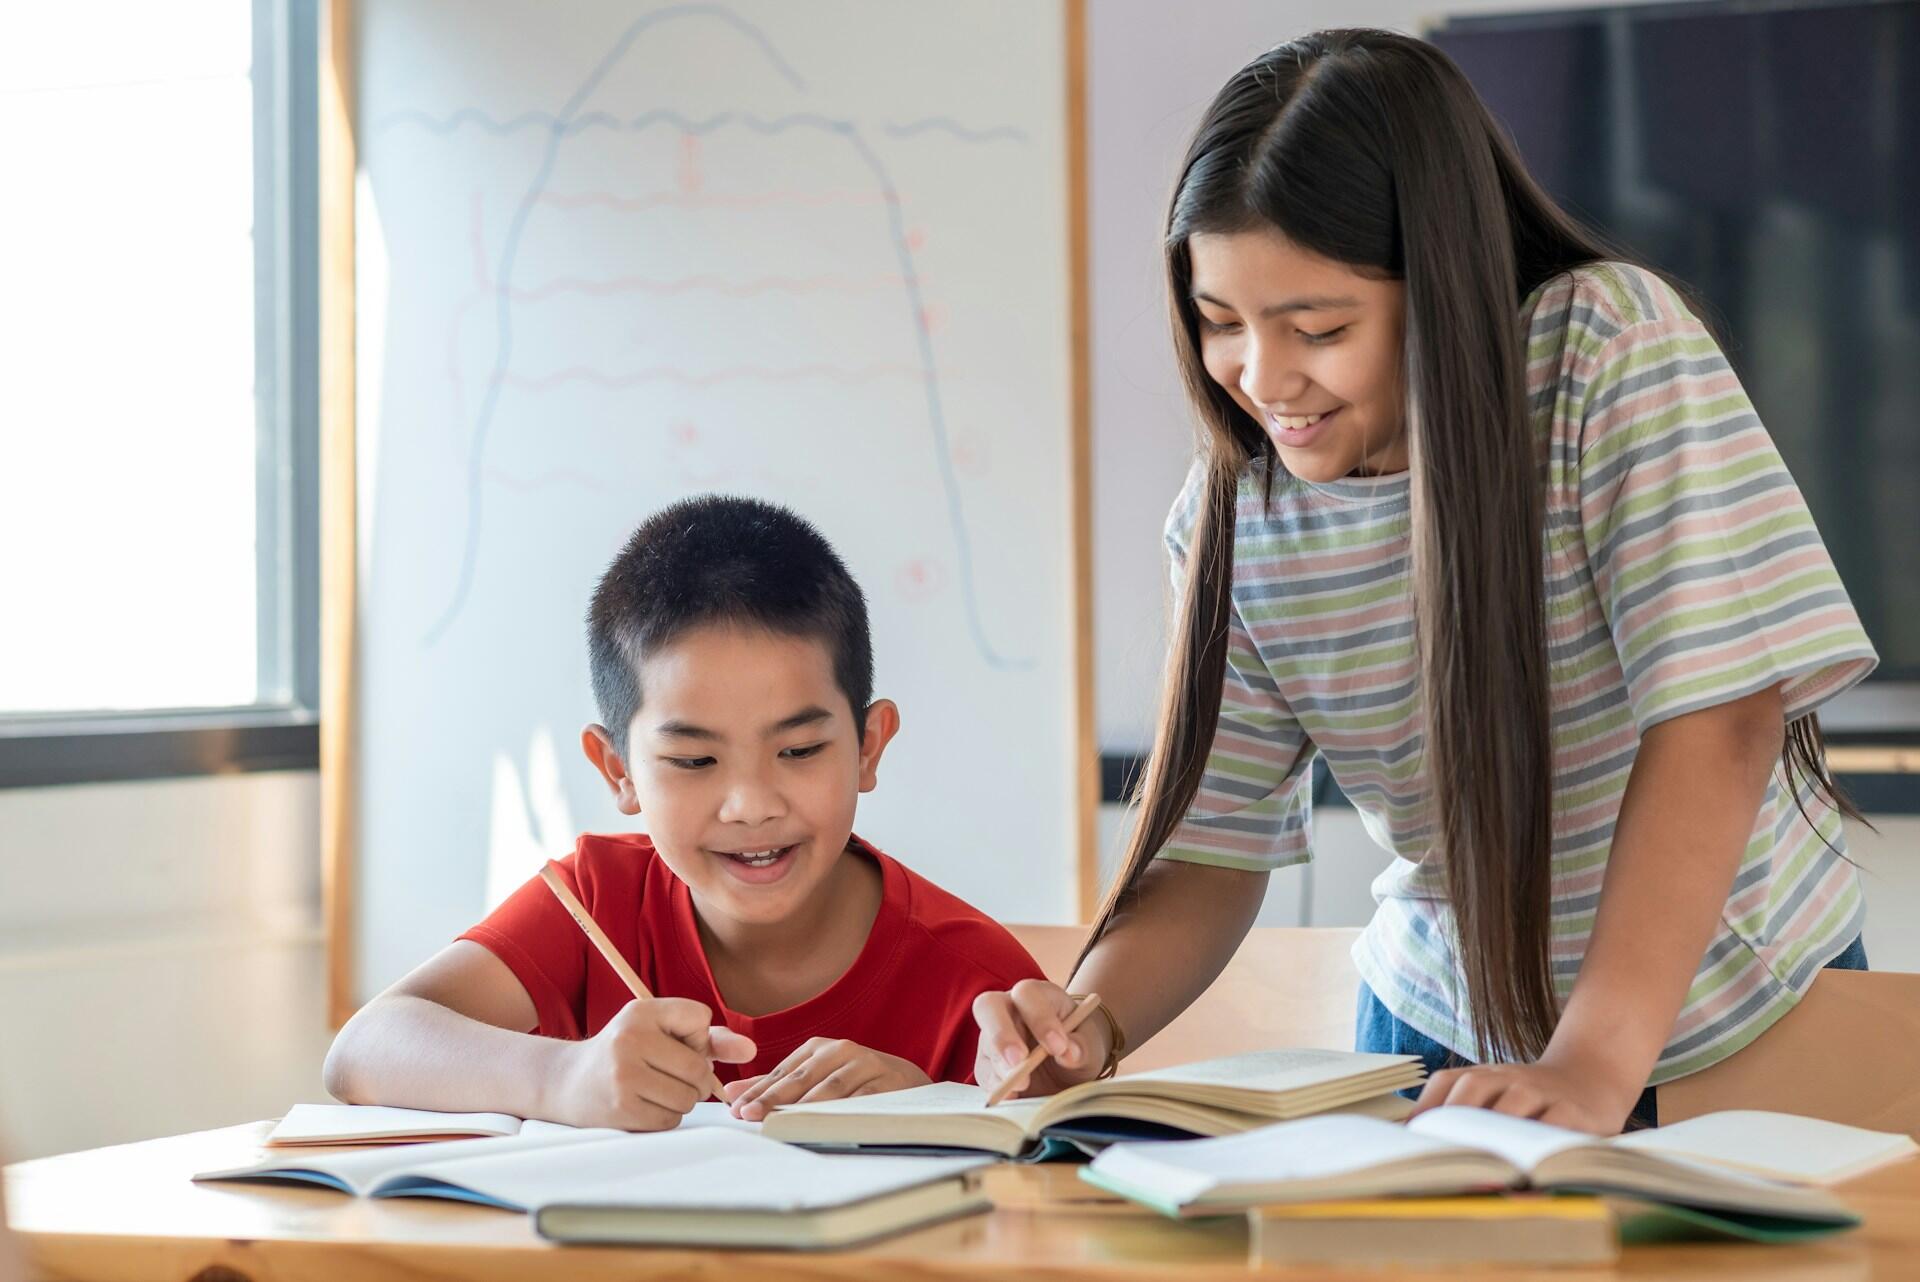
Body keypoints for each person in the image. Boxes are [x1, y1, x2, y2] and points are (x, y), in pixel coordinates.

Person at [973, 28, 1876, 1135]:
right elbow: (1211, 850)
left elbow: (1721, 713)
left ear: (1441, 278)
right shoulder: (1235, 515)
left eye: (1319, 327)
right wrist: (1088, 1025)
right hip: (1440, 1030)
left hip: (1743, 1012)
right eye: (1219, 324)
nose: (1262, 377)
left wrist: (1592, 1061)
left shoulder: (1604, 349)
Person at [326, 495, 1044, 1128]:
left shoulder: (978, 982)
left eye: (798, 750)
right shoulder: (595, 901)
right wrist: (562, 1077)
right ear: (618, 771)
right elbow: (364, 1051)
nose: (752, 805)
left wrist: (927, 1113)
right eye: (696, 762)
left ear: (868, 746)